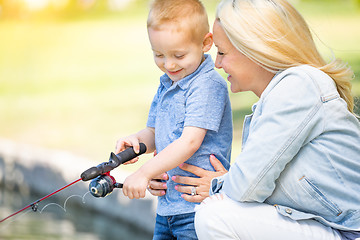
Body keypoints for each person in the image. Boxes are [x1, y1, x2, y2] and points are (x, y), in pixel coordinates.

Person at [149, 0, 360, 239]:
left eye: (222, 52)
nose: (217, 63)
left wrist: (217, 185)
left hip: (347, 232)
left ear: (254, 49)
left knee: (215, 214)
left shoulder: (299, 87)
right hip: (324, 226)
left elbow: (247, 186)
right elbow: (252, 183)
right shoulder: (275, 100)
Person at [115, 0, 233, 239]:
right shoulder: (168, 83)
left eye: (178, 55)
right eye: (158, 55)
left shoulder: (207, 85)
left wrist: (144, 173)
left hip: (197, 209)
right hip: (167, 209)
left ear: (205, 43)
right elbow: (154, 132)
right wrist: (137, 142)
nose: (168, 64)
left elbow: (190, 142)